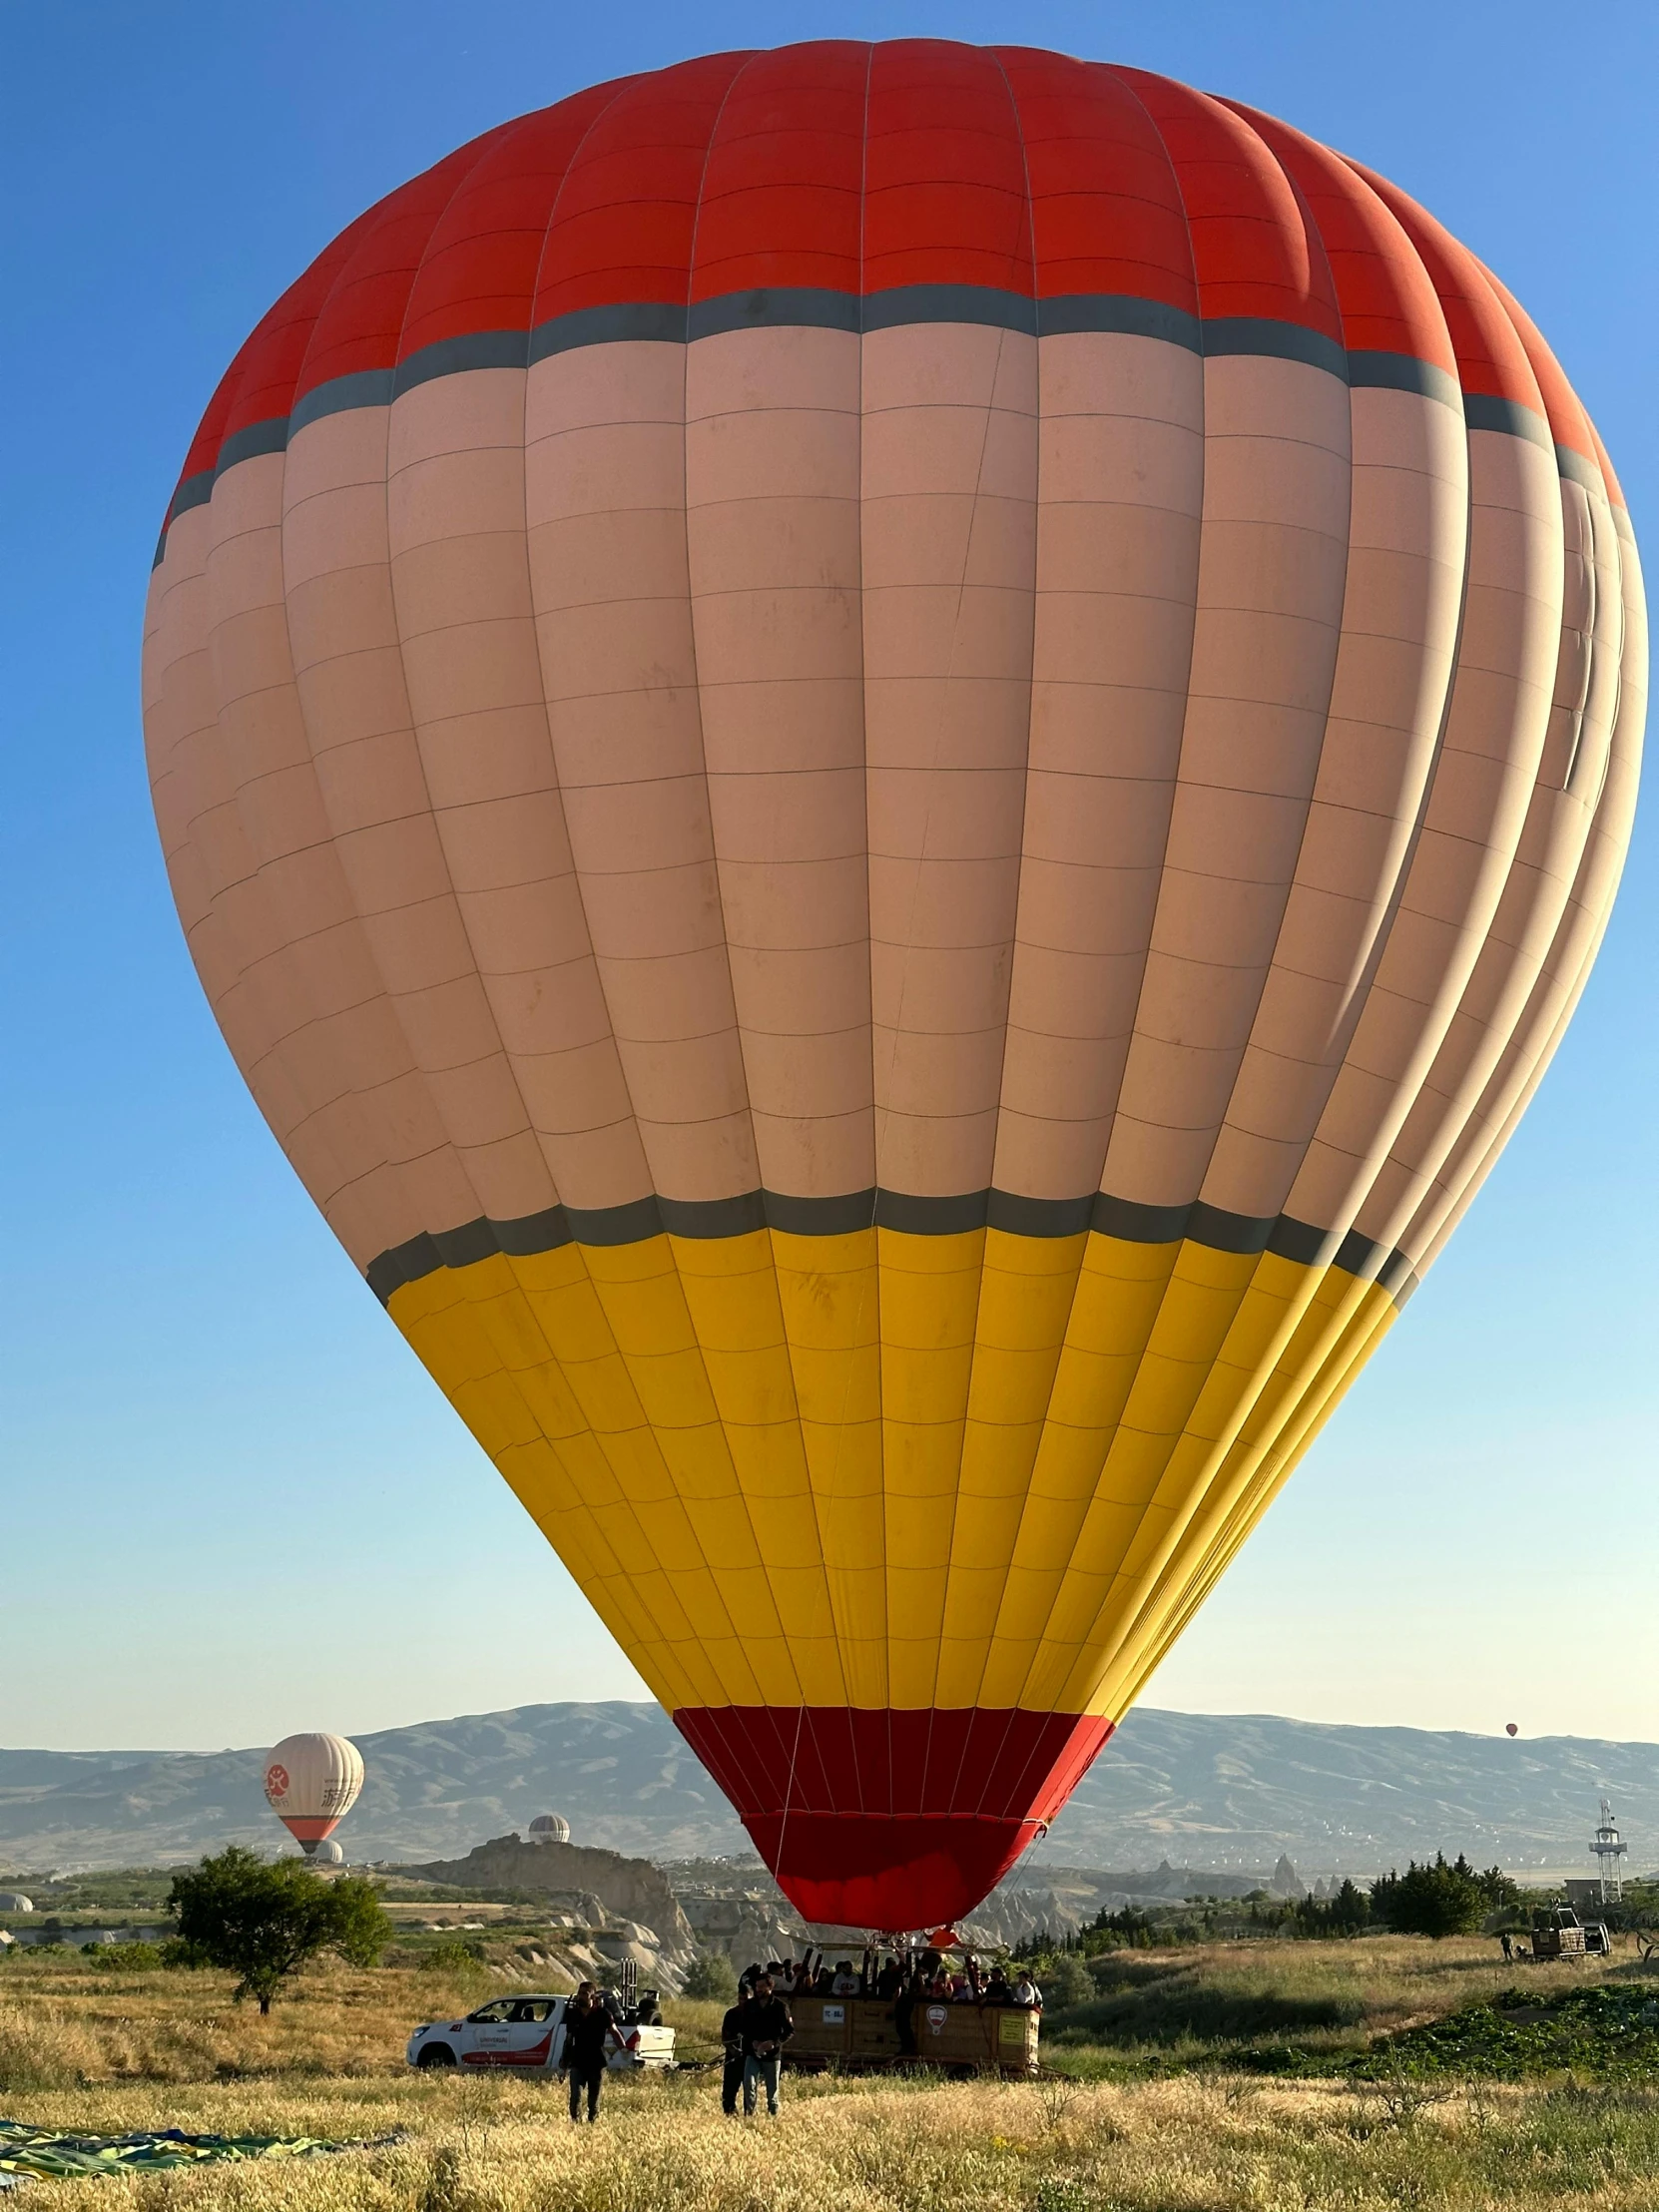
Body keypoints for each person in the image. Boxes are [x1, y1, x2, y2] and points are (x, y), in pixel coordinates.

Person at [740, 1971, 794, 2116]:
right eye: (757, 1986)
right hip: (753, 2053)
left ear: (770, 1987)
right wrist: (752, 2042)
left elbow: (789, 2031)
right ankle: (748, 2115)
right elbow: (744, 2028)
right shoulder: (750, 2005)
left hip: (772, 2055)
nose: (759, 1989)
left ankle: (772, 2117)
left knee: (772, 2090)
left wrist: (774, 2043)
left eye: (762, 1986)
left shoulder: (780, 2007)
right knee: (748, 2084)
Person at [561, 1982, 614, 2122]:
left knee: (593, 2102)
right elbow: (568, 2040)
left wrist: (624, 2048)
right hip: (577, 2062)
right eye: (580, 1993)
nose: (581, 1996)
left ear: (593, 1997)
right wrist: (564, 2065)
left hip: (596, 2063)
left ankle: (592, 2126)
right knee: (575, 2099)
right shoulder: (573, 2015)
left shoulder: (602, 2014)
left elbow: (614, 2031)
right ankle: (575, 2125)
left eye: (585, 1994)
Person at [719, 1992, 746, 2116]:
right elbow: (725, 2037)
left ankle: (748, 2114)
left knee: (749, 2088)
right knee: (729, 2088)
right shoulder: (731, 2014)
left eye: (746, 1999)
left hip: (749, 2058)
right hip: (733, 2057)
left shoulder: (756, 2015)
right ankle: (729, 2112)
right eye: (740, 1998)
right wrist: (733, 2050)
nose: (742, 2001)